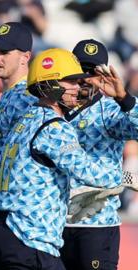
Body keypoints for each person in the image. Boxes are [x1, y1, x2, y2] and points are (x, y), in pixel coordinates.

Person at [0, 48, 117, 270]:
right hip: (30, 239)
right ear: (50, 84)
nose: (78, 87)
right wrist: (125, 177)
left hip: (13, 233)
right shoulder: (54, 127)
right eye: (71, 81)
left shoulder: (27, 118)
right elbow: (88, 172)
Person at [60, 39, 138, 270]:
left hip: (96, 226)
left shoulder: (112, 109)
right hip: (53, 224)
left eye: (92, 71)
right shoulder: (53, 108)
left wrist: (124, 98)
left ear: (104, 73)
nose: (85, 77)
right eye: (80, 69)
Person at [0, 21, 35, 254]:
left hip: (17, 220)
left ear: (25, 57)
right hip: (1, 210)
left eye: (5, 52)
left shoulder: (28, 99)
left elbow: (21, 168)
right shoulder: (8, 95)